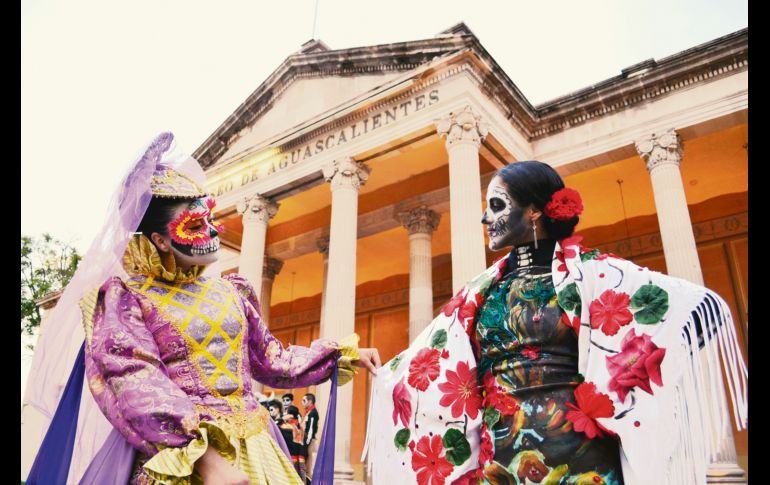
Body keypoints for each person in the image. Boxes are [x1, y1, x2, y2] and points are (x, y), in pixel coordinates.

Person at [25, 132, 382, 485]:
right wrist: (206, 460)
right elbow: (137, 382)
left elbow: (271, 359)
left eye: (210, 220)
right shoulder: (127, 300)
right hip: (185, 459)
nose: (211, 233)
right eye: (195, 226)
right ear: (159, 240)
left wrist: (340, 356)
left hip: (259, 450)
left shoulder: (233, 292)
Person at [364, 161, 747, 485]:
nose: (485, 217)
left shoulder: (597, 276)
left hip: (582, 455)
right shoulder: (476, 294)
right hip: (500, 460)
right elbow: (431, 363)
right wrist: (381, 373)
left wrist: (632, 378)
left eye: (497, 205)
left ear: (533, 211)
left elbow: (697, 310)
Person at [281, 405, 308, 482]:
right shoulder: (301, 429)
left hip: (290, 458)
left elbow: (274, 428)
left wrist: (282, 419)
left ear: (290, 416)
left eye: (286, 413)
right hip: (301, 461)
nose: (285, 415)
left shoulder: (285, 427)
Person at [301, 393, 320, 483]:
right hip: (305, 441)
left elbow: (311, 430)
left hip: (309, 443)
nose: (302, 403)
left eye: (304, 401)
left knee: (309, 466)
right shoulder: (308, 412)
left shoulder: (313, 413)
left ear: (310, 401)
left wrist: (305, 444)